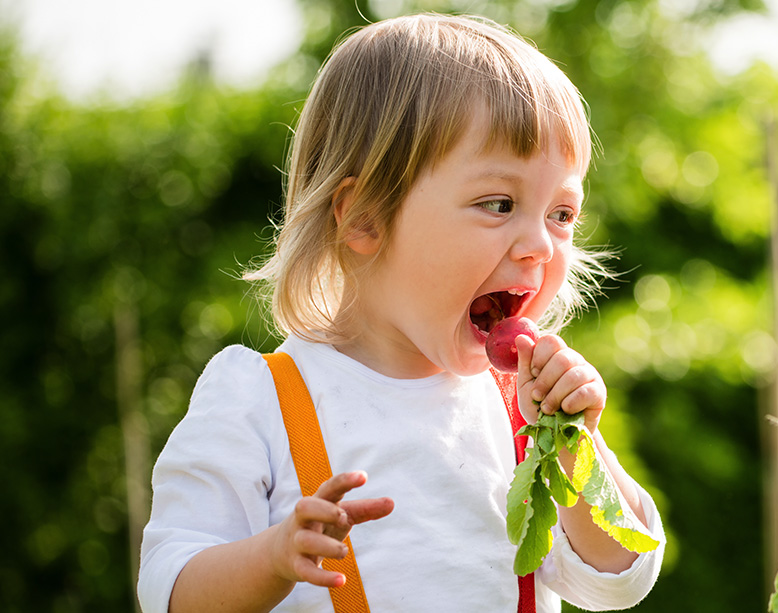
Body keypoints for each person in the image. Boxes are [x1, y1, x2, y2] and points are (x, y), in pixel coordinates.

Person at [137, 14, 664, 613]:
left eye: (562, 214)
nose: (541, 246)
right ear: (364, 217)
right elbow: (168, 590)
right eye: (500, 203)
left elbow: (619, 577)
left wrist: (578, 447)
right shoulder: (261, 399)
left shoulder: (521, 411)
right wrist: (271, 558)